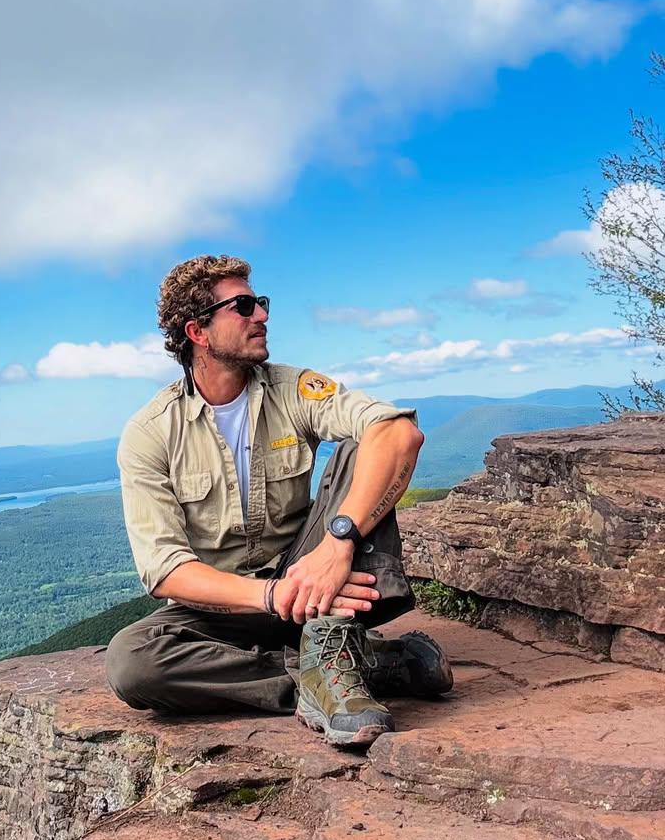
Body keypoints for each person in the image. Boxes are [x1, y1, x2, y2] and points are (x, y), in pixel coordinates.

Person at [106, 254, 451, 747]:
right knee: (132, 663)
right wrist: (269, 596)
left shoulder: (293, 389)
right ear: (198, 332)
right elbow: (164, 570)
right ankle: (360, 668)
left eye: (260, 303)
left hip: (316, 579)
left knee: (366, 445)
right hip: (231, 605)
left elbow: (399, 433)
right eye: (243, 306)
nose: (262, 316)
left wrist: (338, 544)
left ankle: (332, 653)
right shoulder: (151, 432)